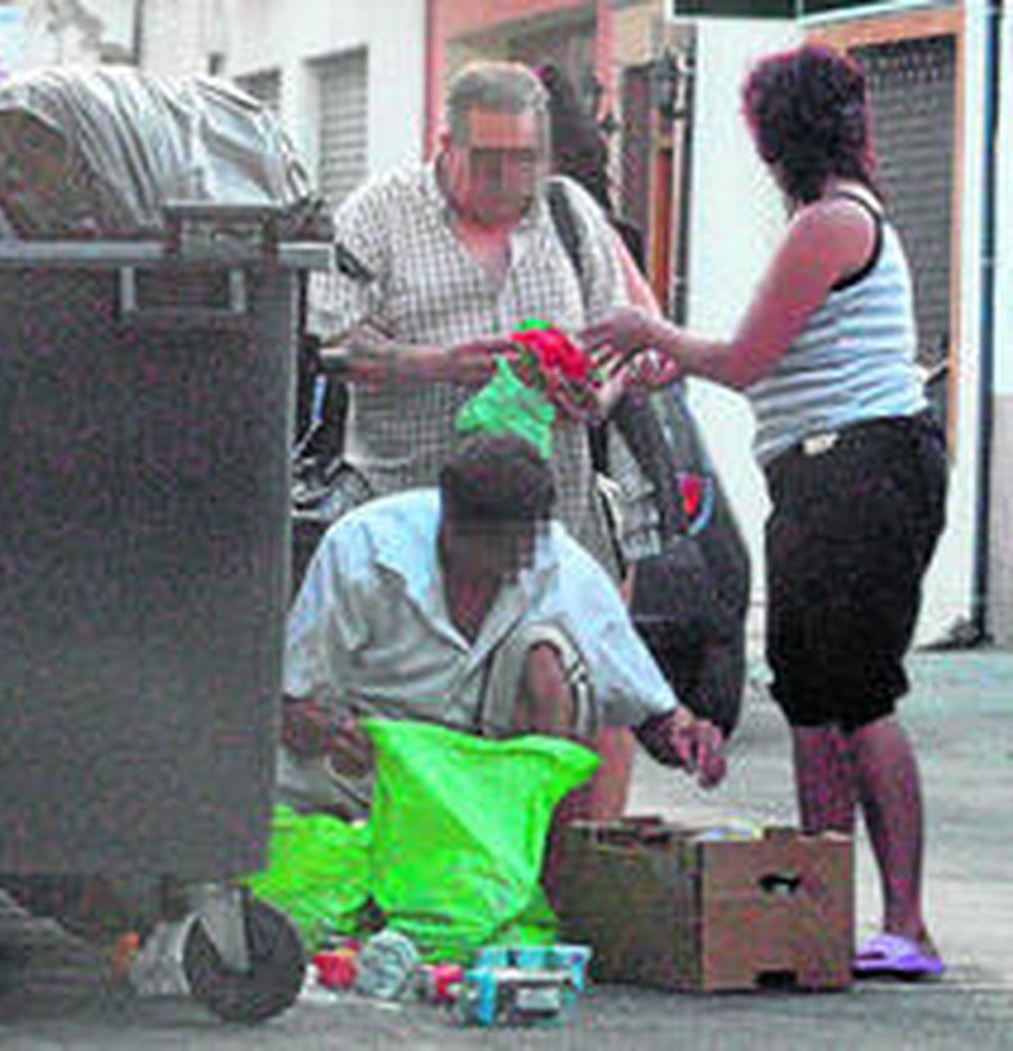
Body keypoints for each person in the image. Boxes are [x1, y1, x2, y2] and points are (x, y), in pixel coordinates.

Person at [583, 43, 948, 979]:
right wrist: (678, 354)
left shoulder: (830, 222)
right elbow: (772, 356)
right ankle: (819, 909)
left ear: (774, 135)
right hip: (821, 475)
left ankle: (906, 923)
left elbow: (743, 360)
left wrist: (648, 330)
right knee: (808, 694)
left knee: (859, 693)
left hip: (862, 471)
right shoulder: (827, 223)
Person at [309, 59, 663, 817]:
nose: (510, 178)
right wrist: (439, 364)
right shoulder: (380, 213)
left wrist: (587, 391)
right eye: (490, 160)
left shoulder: (569, 214)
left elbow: (613, 352)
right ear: (446, 144)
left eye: (526, 160)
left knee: (565, 689)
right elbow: (331, 345)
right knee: (416, 725)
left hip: (547, 518)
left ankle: (567, 879)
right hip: (413, 523)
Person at [278, 432, 726, 899]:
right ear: (446, 522)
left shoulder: (563, 568)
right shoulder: (363, 548)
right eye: (485, 548)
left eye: (516, 548)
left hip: (482, 796)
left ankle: (554, 888)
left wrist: (686, 738)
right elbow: (289, 705)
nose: (501, 565)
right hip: (360, 781)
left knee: (549, 658)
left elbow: (646, 708)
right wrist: (336, 734)